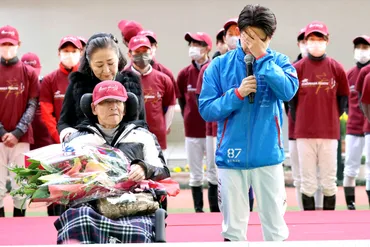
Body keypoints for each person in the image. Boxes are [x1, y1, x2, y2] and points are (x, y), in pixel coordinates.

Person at [199, 4, 297, 241]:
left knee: (275, 226)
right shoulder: (219, 66)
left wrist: (264, 58)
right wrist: (237, 95)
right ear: (239, 32)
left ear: (269, 37)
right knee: (233, 229)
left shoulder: (280, 62)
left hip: (268, 157)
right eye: (248, 37)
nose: (252, 43)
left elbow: (288, 92)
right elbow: (206, 109)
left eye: (259, 39)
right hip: (231, 158)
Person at [55, 80, 170, 244]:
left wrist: (144, 168)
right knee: (80, 218)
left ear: (125, 107)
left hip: (133, 204)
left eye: (118, 101)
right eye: (106, 102)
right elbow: (65, 177)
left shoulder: (143, 136)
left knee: (138, 230)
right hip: (90, 204)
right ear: (94, 108)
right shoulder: (77, 141)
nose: (113, 106)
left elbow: (162, 169)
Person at [290, 21, 350, 211]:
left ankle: (328, 223)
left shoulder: (336, 68)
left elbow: (343, 98)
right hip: (303, 134)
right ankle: (309, 223)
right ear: (305, 41)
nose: (316, 43)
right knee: (307, 182)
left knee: (329, 181)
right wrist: (301, 119)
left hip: (329, 133)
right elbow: (290, 101)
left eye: (320, 39)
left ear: (327, 40)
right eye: (312, 39)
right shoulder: (297, 68)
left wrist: (330, 118)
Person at [57, 33, 145, 142]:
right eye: (99, 65)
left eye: (111, 63)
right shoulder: (78, 84)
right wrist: (72, 137)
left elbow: (141, 122)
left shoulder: (132, 82)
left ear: (118, 59)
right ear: (89, 64)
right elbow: (64, 122)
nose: (106, 71)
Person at [40, 36, 83, 216]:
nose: (69, 55)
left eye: (73, 51)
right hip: (57, 143)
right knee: (56, 186)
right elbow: (45, 111)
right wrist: (59, 135)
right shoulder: (50, 80)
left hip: (82, 143)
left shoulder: (84, 78)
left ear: (80, 53)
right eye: (66, 51)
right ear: (59, 53)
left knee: (80, 185)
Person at [0, 25, 39, 217]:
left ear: (19, 45)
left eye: (10, 44)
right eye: (4, 44)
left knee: (20, 187)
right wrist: (1, 133)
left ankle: (18, 225)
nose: (7, 47)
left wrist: (17, 133)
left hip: (21, 139)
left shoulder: (29, 72)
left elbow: (32, 104)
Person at [177, 31, 216, 213]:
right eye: (191, 44)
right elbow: (182, 101)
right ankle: (198, 210)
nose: (193, 48)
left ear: (208, 48)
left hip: (212, 130)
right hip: (192, 130)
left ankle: (215, 209)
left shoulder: (214, 69)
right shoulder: (184, 74)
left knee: (214, 173)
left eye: (198, 44)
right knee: (195, 175)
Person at [285, 27, 323, 210]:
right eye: (302, 41)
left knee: (318, 175)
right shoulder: (291, 68)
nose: (305, 44)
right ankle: (303, 210)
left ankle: (320, 209)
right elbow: (287, 101)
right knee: (300, 176)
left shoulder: (321, 67)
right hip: (295, 132)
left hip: (318, 132)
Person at [126, 35, 176, 157]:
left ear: (151, 52)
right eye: (137, 52)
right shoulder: (122, 78)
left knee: (159, 171)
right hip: (130, 137)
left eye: (145, 51)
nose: (142, 55)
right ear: (129, 54)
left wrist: (164, 127)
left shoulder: (163, 79)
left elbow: (170, 104)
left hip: (157, 136)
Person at [343, 35, 370, 210]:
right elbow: (344, 101)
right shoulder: (349, 74)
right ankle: (350, 205)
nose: (361, 51)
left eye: (365, 47)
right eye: (359, 47)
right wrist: (349, 114)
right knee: (350, 167)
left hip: (368, 127)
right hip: (353, 127)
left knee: (369, 167)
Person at [21, 52, 53, 150]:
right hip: (22, 138)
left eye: (34, 71)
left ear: (40, 68)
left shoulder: (47, 84)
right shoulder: (16, 88)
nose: (31, 75)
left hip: (46, 140)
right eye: (28, 71)